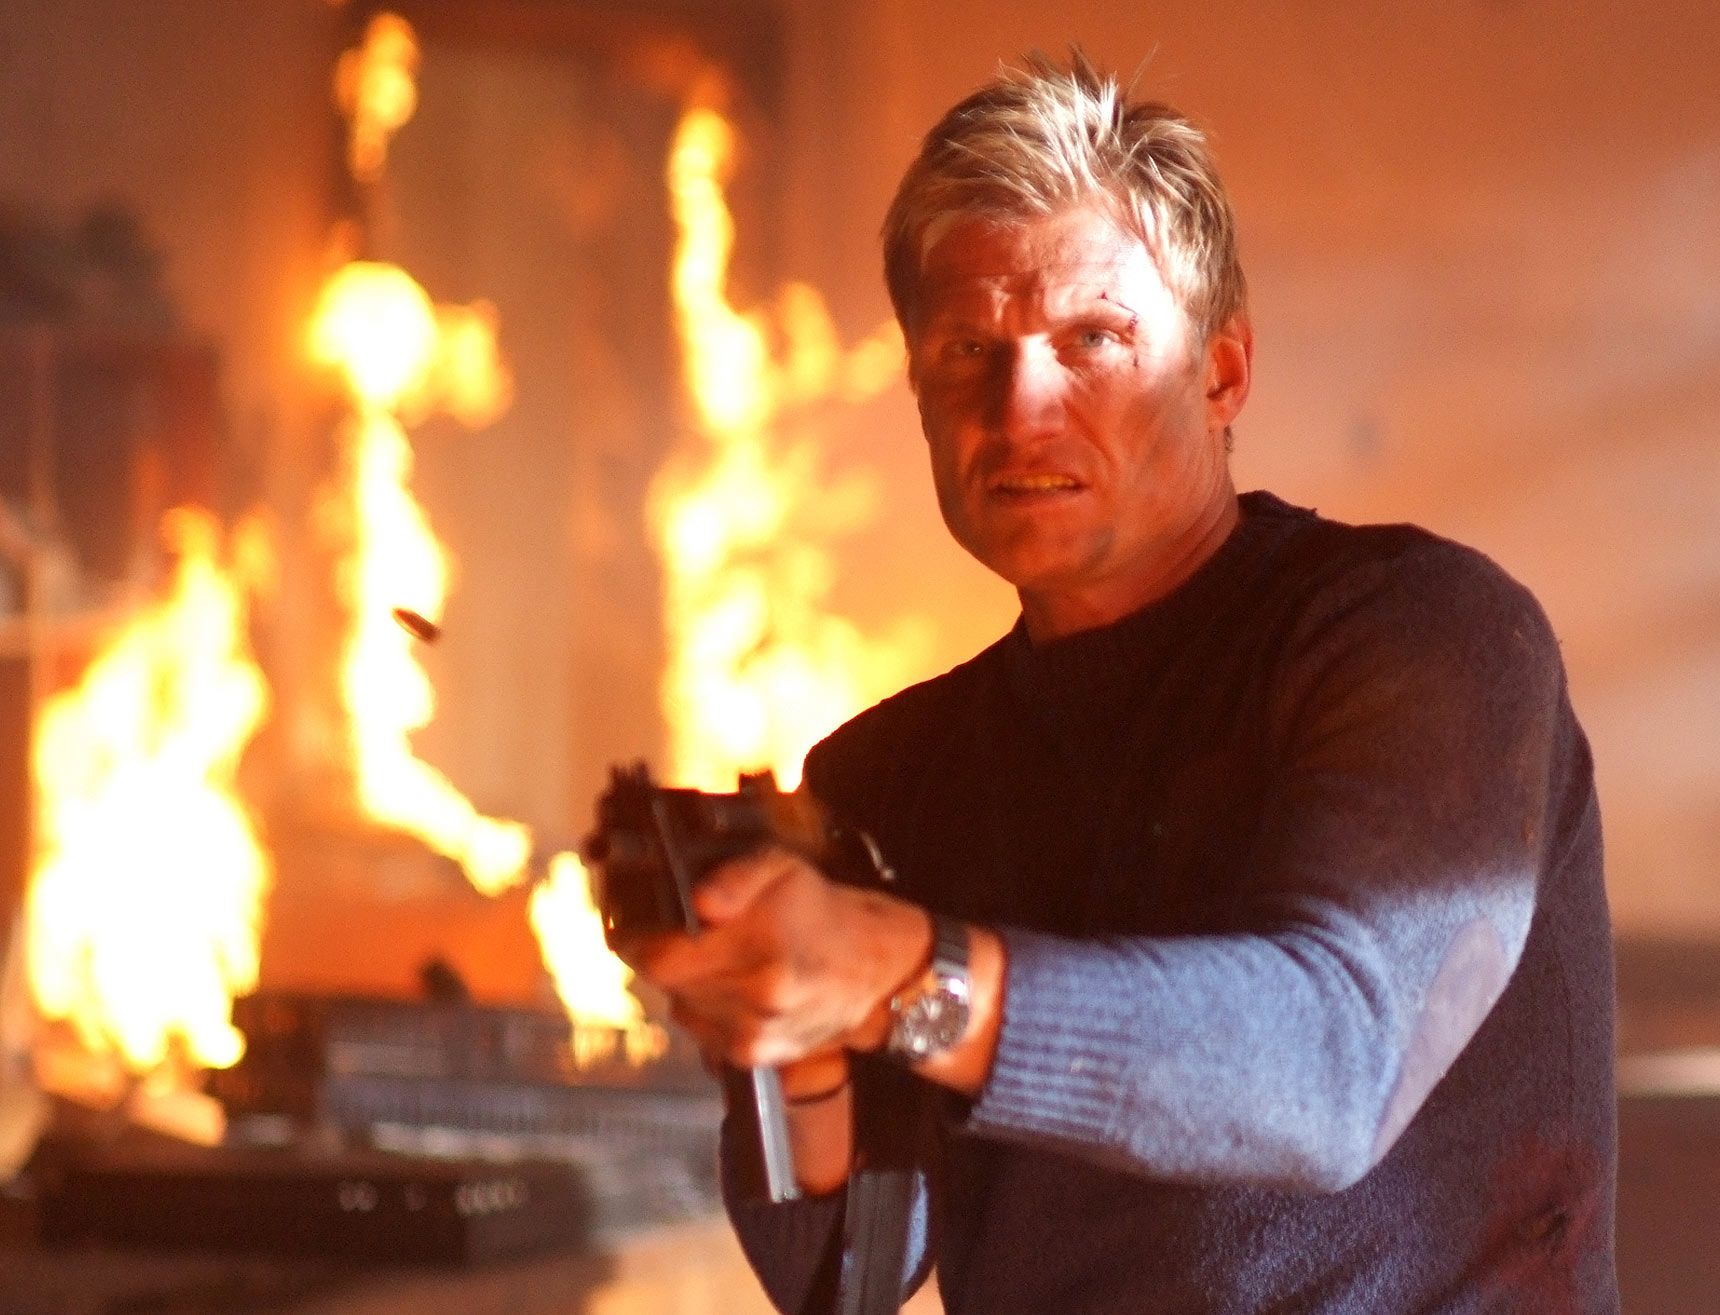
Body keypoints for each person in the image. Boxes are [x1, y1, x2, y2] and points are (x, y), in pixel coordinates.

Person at [637, 51, 1618, 1315]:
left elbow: (1324, 1069)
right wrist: (791, 1026)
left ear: (1218, 374)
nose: (1020, 403)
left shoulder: (1422, 634)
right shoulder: (885, 775)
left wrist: (899, 974)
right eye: (965, 350)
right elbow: (846, 1273)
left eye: (1092, 339)